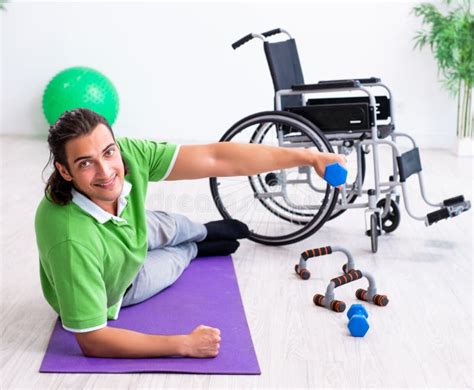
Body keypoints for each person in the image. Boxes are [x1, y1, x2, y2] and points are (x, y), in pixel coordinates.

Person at [35, 108, 345, 359]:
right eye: (86, 163)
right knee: (175, 258)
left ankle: (201, 231)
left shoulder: (126, 156)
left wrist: (309, 156)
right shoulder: (70, 238)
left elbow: (216, 158)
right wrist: (184, 344)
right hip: (119, 281)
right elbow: (92, 340)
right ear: (65, 171)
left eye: (108, 152)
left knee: (175, 225)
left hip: (128, 227)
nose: (105, 170)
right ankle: (196, 248)